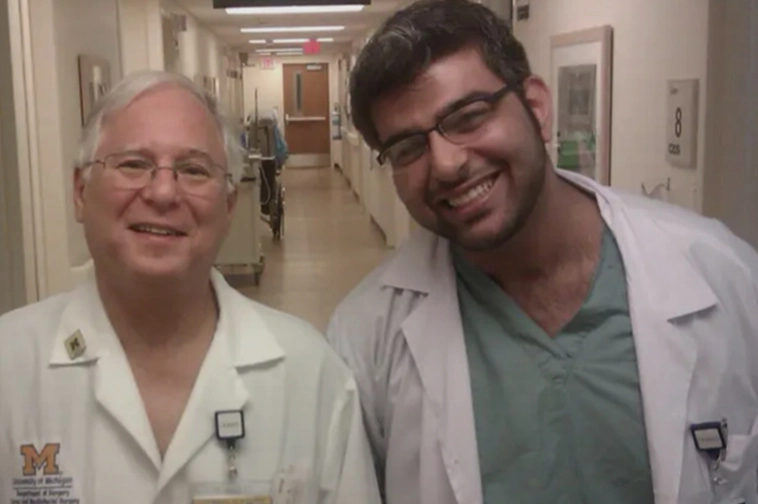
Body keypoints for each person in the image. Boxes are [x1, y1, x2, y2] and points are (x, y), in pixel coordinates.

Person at [326, 1, 758, 504]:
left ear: (536, 106)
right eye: (407, 148)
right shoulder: (365, 335)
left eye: (467, 117)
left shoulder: (721, 275)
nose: (445, 165)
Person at [0, 70, 381, 504]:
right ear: (80, 191)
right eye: (133, 164)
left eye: (194, 170)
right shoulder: (9, 366)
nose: (163, 193)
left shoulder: (310, 372)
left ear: (229, 205)